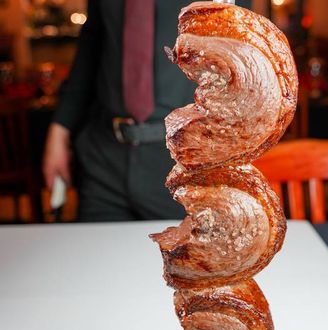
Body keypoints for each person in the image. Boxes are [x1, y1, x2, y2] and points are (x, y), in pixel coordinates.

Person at [43, 0, 252, 222]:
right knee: (95, 244)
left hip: (185, 161)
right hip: (105, 159)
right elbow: (91, 47)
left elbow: (240, 58)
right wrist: (60, 130)